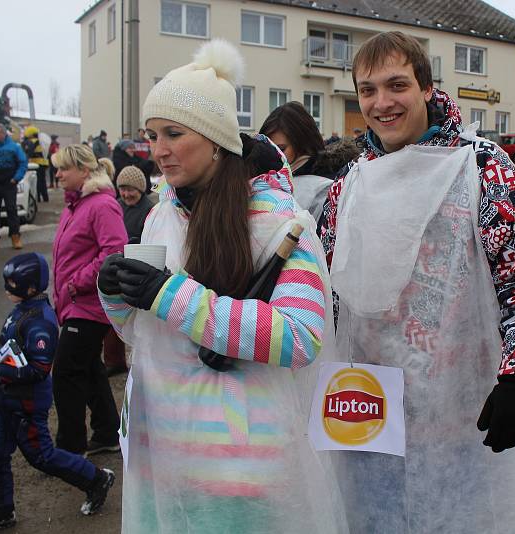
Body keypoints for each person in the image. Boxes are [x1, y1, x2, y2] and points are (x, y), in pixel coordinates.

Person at [96, 39, 346, 533]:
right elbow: (144, 335)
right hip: (166, 459)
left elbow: (301, 338)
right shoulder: (162, 215)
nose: (158, 150)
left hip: (242, 469)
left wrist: (169, 294)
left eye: (173, 133)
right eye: (151, 135)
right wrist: (118, 293)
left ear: (215, 139)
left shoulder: (278, 222)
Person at [319, 31, 515, 532]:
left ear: (426, 88)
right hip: (369, 415)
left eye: (396, 85)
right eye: (367, 90)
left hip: (464, 418)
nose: (382, 103)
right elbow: (321, 292)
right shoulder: (350, 185)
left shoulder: (482, 167)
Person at [0, 254, 115, 534]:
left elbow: (40, 368)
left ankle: (95, 479)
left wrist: (2, 373)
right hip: (5, 399)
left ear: (31, 287)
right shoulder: (22, 310)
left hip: (26, 404)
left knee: (41, 456)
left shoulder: (40, 321)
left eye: (12, 284)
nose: (7, 289)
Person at [50, 145, 126, 456]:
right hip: (73, 302)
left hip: (88, 304)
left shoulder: (101, 205)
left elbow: (114, 252)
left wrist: (74, 285)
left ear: (84, 170)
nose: (57, 175)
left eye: (63, 168)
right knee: (89, 368)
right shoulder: (75, 206)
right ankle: (107, 432)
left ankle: (69, 448)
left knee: (66, 373)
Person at [260, 102, 359, 220]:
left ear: (302, 144)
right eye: (268, 148)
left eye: (281, 149)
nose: (273, 155)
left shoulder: (331, 183)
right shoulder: (265, 178)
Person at [102, 165, 156, 377]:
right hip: (116, 269)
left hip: (138, 272)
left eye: (131, 189)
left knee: (139, 323)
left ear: (141, 189)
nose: (126, 194)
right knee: (113, 320)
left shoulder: (149, 210)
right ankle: (114, 360)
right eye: (122, 189)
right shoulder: (116, 206)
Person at [22, 126, 50, 202]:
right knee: (43, 181)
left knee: (37, 181)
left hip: (36, 163)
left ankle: (37, 198)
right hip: (44, 162)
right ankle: (45, 198)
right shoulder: (41, 141)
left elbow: (29, 152)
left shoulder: (31, 141)